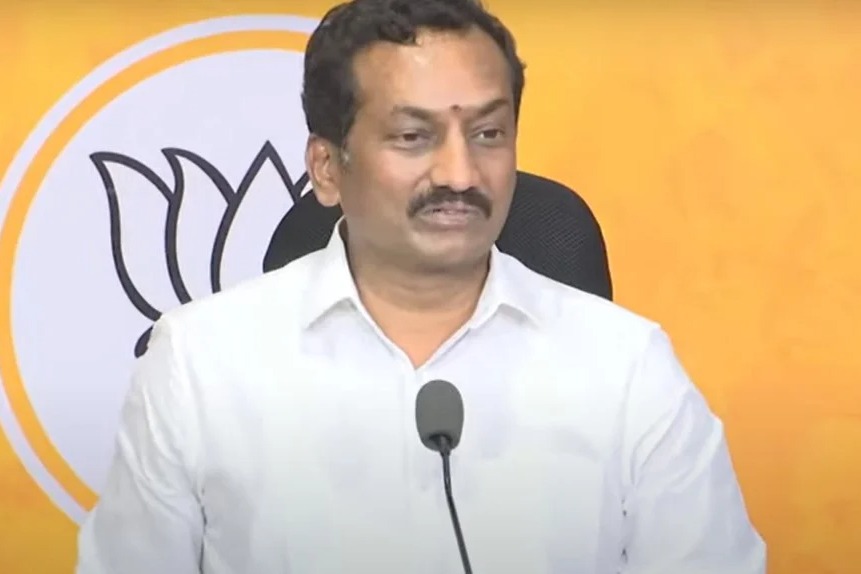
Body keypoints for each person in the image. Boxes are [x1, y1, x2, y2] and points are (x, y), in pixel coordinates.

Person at [76, 0, 767, 572]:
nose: (460, 175)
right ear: (326, 167)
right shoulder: (200, 362)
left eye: (488, 133)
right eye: (413, 137)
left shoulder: (627, 366)